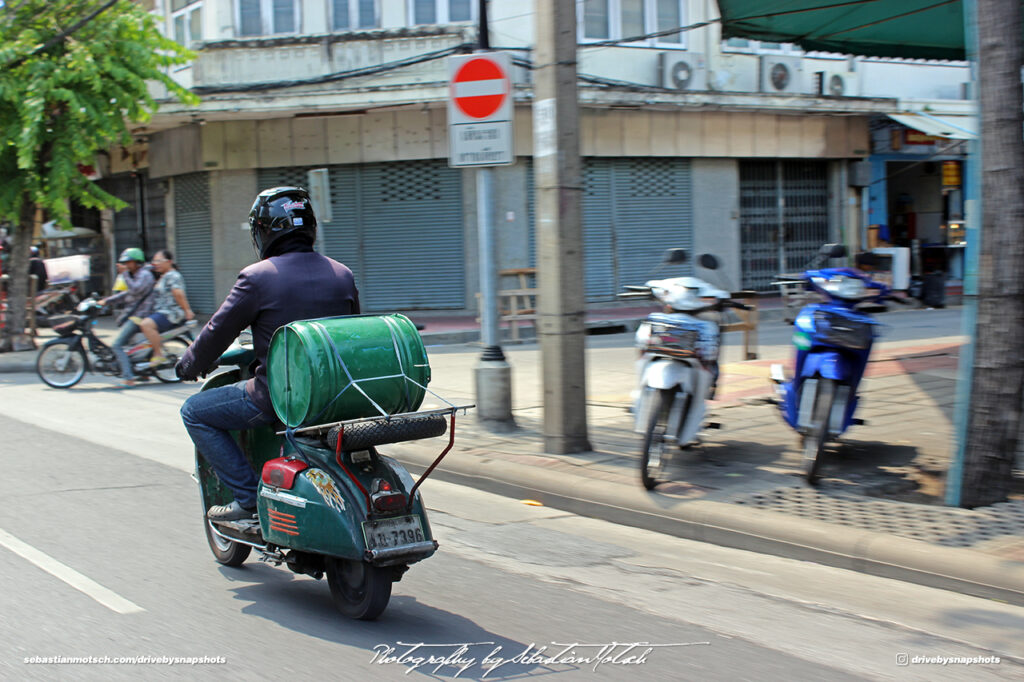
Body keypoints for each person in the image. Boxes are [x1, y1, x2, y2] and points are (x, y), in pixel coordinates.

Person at [176, 187, 360, 522]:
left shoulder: (258, 278)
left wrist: (190, 363)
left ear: (264, 231)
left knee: (194, 412)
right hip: (338, 396)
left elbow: (217, 331)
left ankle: (248, 500)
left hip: (279, 399)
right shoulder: (342, 274)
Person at [99, 248, 156, 387]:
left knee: (117, 345)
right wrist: (106, 301)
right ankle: (143, 372)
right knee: (130, 347)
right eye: (124, 263)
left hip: (141, 316)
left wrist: (124, 274)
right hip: (135, 314)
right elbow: (126, 294)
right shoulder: (134, 275)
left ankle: (128, 378)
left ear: (137, 262)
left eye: (128, 262)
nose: (125, 265)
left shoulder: (144, 275)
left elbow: (135, 289)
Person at [132, 249, 195, 366]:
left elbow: (178, 294)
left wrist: (187, 311)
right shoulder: (163, 276)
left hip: (170, 313)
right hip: (161, 312)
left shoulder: (173, 275)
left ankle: (158, 354)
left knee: (146, 324)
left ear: (169, 261)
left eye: (159, 261)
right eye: (154, 261)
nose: (156, 263)